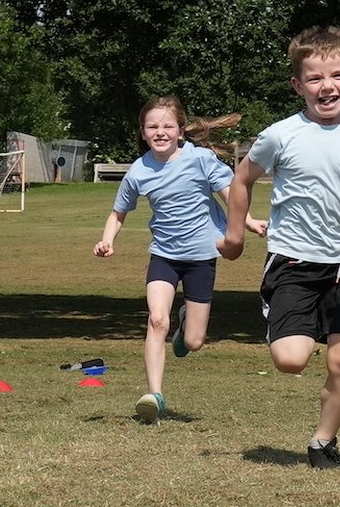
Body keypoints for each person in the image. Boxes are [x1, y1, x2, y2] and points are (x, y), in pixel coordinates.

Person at [220, 26, 340, 469]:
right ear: (298, 85)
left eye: (335, 76)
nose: (326, 87)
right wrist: (235, 236)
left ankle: (322, 442)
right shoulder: (280, 134)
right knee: (291, 360)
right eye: (314, 78)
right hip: (292, 262)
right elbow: (241, 179)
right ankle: (289, 319)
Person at [92, 96, 263, 425]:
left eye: (167, 126)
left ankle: (186, 324)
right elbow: (119, 213)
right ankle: (154, 396)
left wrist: (249, 221)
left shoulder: (200, 160)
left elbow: (230, 196)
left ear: (181, 131)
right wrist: (107, 240)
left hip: (202, 257)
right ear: (143, 132)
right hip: (164, 256)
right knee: (157, 321)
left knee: (194, 342)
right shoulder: (138, 171)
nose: (160, 132)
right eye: (152, 126)